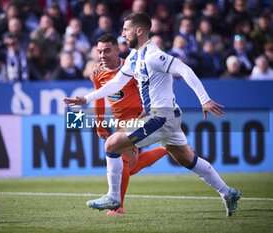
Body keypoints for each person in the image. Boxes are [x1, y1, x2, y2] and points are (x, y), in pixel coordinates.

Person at [64, 12, 241, 217]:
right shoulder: (134, 57)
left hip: (161, 117)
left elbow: (184, 69)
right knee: (187, 160)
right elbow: (115, 83)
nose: (123, 34)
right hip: (166, 118)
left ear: (139, 31)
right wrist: (86, 99)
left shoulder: (153, 55)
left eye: (126, 29)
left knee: (112, 145)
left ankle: (114, 197)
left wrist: (204, 99)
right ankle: (228, 193)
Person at [92, 34, 168, 215]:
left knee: (123, 163)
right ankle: (168, 148)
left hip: (136, 119)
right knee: (130, 167)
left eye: (107, 51)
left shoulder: (132, 68)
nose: (102, 55)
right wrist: (99, 123)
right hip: (119, 122)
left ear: (118, 50)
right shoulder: (97, 72)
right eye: (99, 51)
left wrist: (148, 110)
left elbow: (148, 89)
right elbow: (99, 98)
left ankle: (118, 207)